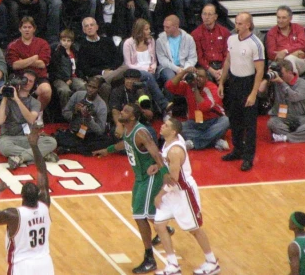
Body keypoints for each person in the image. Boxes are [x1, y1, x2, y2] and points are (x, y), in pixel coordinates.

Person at [93, 103, 171, 274]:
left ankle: (150, 258)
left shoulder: (141, 132)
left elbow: (156, 153)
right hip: (140, 177)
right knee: (140, 210)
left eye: (126, 111)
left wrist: (165, 174)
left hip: (150, 177)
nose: (121, 112)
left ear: (134, 117)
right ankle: (164, 226)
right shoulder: (128, 130)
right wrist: (108, 150)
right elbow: (126, 144)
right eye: (122, 109)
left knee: (138, 214)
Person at [152, 117, 221, 275]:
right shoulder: (170, 140)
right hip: (172, 192)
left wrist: (159, 196)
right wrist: (157, 166)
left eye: (166, 125)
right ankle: (172, 265)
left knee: (194, 229)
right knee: (159, 225)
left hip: (183, 192)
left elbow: (174, 180)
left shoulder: (176, 150)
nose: (162, 126)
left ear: (174, 131)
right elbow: (167, 163)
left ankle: (212, 262)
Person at [0, 126, 54, 275]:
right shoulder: (44, 205)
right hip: (45, 264)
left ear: (21, 196)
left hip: (23, 266)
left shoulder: (13, 214)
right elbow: (42, 172)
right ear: (39, 195)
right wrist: (34, 146)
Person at [219, 12, 264, 172]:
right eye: (236, 22)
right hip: (234, 82)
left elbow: (260, 71)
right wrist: (222, 82)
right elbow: (228, 60)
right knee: (234, 120)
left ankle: (248, 157)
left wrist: (253, 93)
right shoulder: (231, 39)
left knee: (249, 124)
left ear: (248, 25)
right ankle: (237, 149)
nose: (236, 26)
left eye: (239, 23)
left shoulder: (256, 43)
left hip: (248, 82)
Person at [0, 70, 58, 169]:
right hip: (9, 137)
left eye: (31, 81)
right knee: (3, 147)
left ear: (34, 85)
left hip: (28, 137)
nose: (27, 83)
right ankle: (42, 155)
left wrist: (17, 99)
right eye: (25, 80)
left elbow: (30, 119)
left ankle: (20, 157)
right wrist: (5, 97)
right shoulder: (8, 100)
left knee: (51, 142)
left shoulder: (35, 103)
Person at [257, 59, 305, 144]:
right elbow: (260, 93)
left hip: (300, 118)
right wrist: (267, 77)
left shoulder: (303, 83)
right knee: (271, 123)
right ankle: (303, 136)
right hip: (281, 118)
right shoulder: (275, 82)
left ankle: (285, 137)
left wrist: (282, 82)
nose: (280, 76)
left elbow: (294, 97)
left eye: (281, 74)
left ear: (290, 72)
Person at [166, 66, 230, 151]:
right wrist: (184, 72)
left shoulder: (212, 88)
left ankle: (195, 143)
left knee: (226, 121)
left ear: (206, 78)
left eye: (201, 77)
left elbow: (203, 107)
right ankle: (214, 141)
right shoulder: (187, 85)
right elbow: (169, 86)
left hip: (213, 121)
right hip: (195, 122)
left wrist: (194, 88)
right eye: (196, 76)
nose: (198, 79)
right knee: (177, 127)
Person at [56, 75, 112, 155]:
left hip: (89, 135)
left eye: (94, 88)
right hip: (75, 131)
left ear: (98, 89)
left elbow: (100, 131)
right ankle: (76, 148)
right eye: (89, 86)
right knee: (60, 138)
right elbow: (65, 113)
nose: (90, 90)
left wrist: (89, 119)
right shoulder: (77, 95)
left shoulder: (101, 105)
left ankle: (71, 149)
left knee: (106, 141)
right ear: (86, 85)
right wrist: (75, 112)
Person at [6, 18, 53, 110]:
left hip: (39, 77)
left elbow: (42, 64)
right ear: (20, 29)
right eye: (24, 27)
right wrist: (33, 58)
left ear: (34, 29)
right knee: (15, 91)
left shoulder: (43, 43)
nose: (27, 29)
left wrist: (22, 61)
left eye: (29, 27)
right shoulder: (13, 45)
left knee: (46, 90)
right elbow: (15, 65)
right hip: (20, 77)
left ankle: (37, 114)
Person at [191, 3, 230, 82]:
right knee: (203, 75)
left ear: (215, 16)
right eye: (204, 14)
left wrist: (223, 70)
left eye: (210, 14)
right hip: (206, 66)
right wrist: (212, 71)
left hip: (222, 64)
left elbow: (227, 53)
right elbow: (199, 57)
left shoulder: (224, 32)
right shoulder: (195, 34)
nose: (206, 17)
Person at [265, 6, 305, 76]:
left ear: (290, 18)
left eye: (283, 18)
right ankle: (293, 83)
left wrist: (285, 52)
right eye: (278, 17)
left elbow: (302, 45)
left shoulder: (298, 28)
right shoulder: (271, 33)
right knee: (289, 59)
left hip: (300, 62)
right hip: (280, 63)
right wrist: (295, 53)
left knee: (290, 59)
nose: (280, 21)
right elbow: (271, 54)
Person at [156, 14, 197, 85]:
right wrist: (177, 69)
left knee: (192, 78)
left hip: (185, 66)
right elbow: (162, 59)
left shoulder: (189, 38)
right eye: (164, 27)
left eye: (167, 27)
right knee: (171, 78)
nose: (165, 30)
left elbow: (192, 58)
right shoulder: (160, 40)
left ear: (176, 27)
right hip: (167, 67)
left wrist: (185, 70)